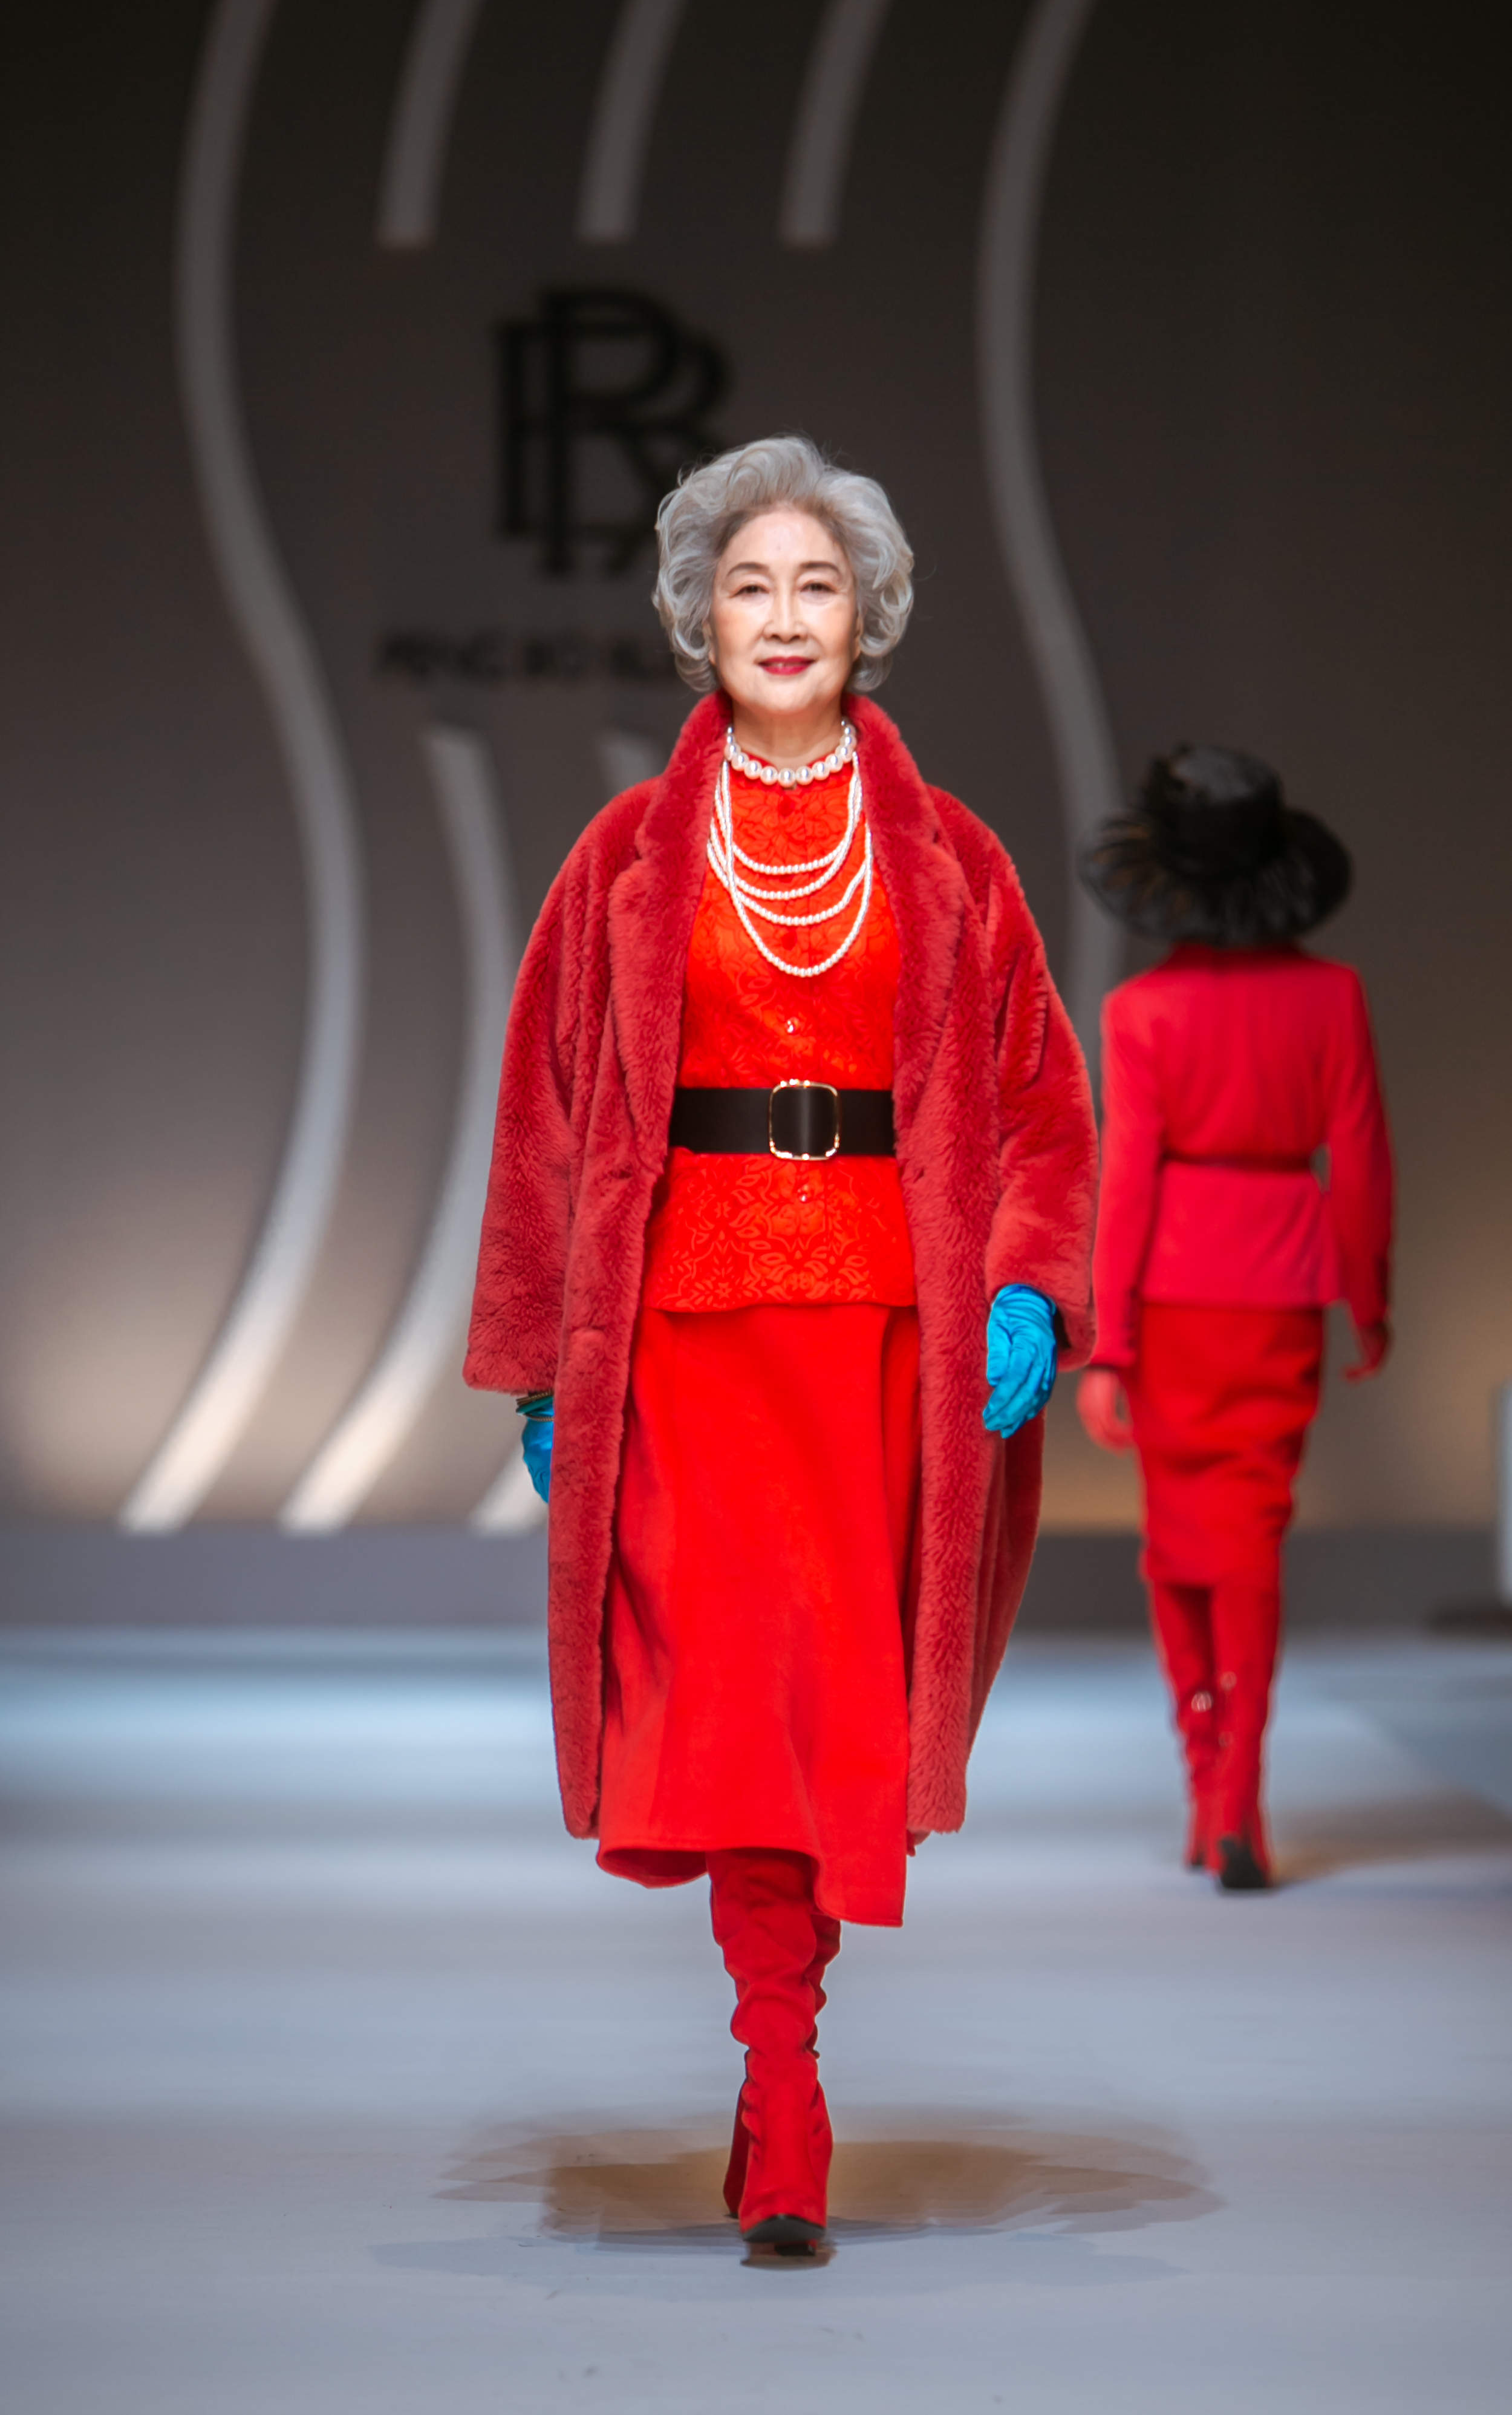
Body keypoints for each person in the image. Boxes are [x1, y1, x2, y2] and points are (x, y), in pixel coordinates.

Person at [466, 436, 1097, 2249]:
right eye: (748, 585)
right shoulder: (624, 858)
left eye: (818, 584)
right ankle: (786, 2080)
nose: (784, 615)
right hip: (682, 1345)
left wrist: (1028, 1290)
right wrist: (543, 1365)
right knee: (736, 1716)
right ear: (698, 618)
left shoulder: (951, 856)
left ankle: (776, 2065)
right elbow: (545, 1115)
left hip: (884, 1343)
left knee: (833, 1718)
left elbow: (1041, 1112)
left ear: (868, 614)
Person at [1075, 748, 1393, 1892]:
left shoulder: (1140, 1011)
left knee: (1177, 1535)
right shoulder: (1331, 996)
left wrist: (1109, 1342)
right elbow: (1359, 1156)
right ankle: (1239, 1787)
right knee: (1251, 1530)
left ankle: (1205, 1766)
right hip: (1282, 1289)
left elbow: (1126, 1181)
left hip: (1173, 1294)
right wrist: (1370, 1297)